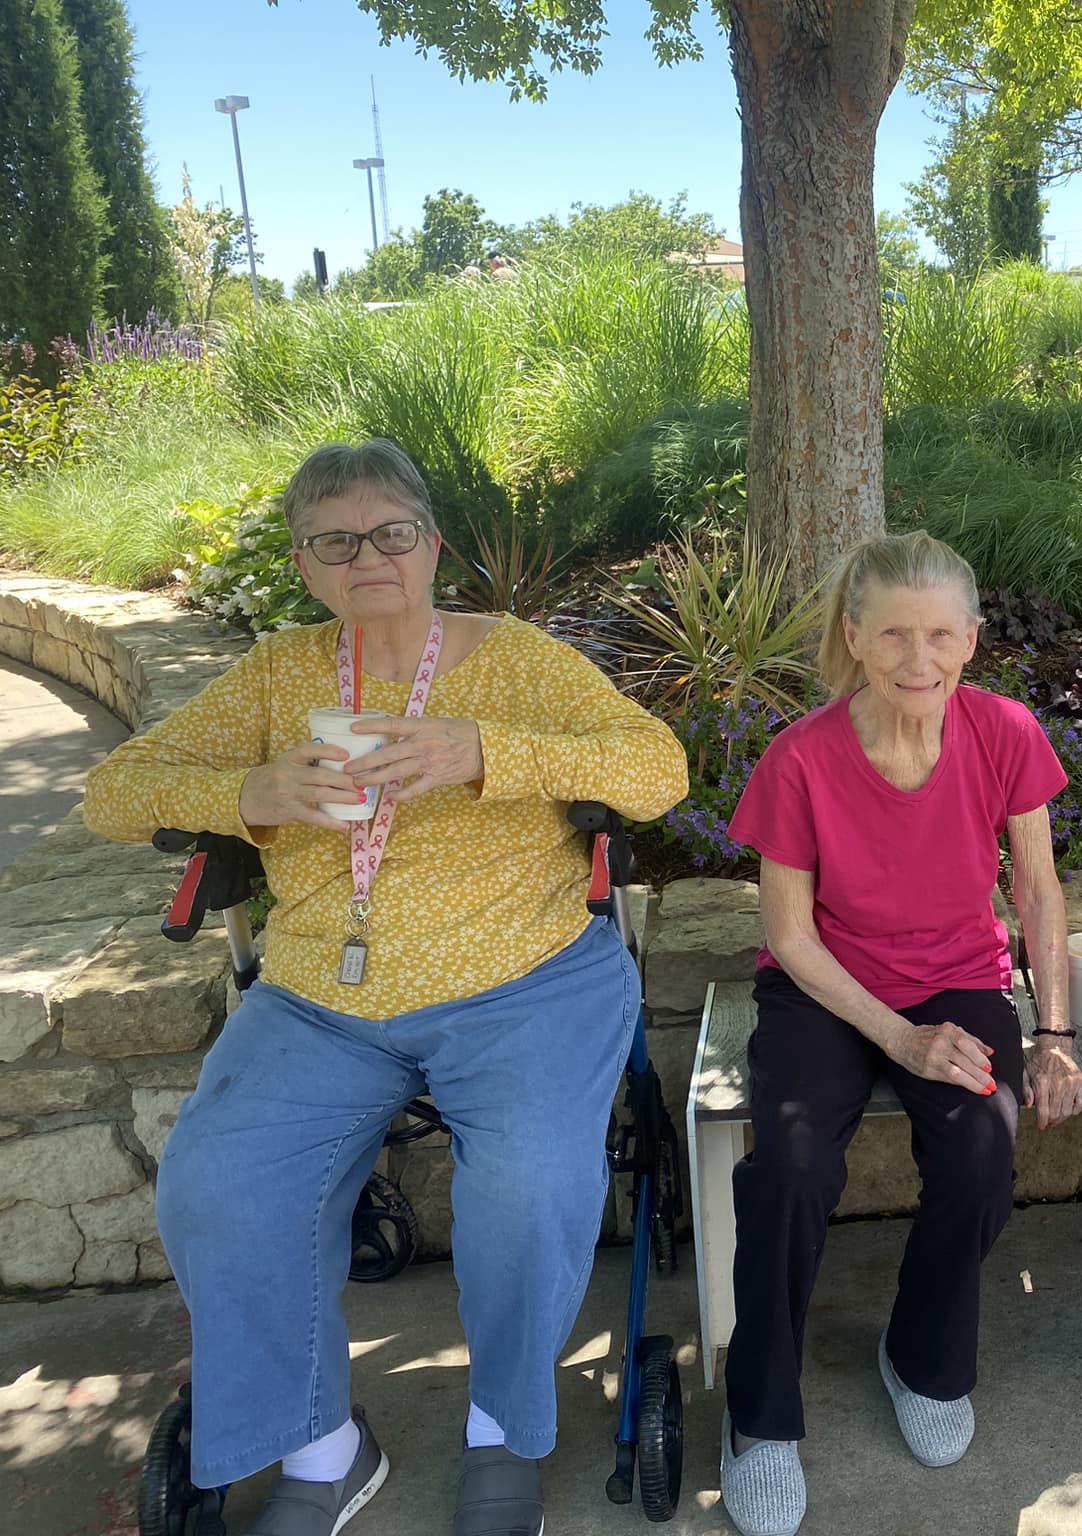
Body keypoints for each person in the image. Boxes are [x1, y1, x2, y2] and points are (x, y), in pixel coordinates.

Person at [82, 439, 691, 1536]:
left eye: (391, 532)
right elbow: (113, 792)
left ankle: (503, 1432)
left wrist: (483, 751)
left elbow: (656, 769)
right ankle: (322, 1450)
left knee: (525, 1188)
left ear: (430, 545)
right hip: (322, 998)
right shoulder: (279, 674)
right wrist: (250, 789)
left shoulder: (516, 660)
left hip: (525, 980)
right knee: (219, 1187)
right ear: (308, 566)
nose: (369, 555)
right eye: (336, 540)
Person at [715, 531, 1082, 1536]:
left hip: (960, 978)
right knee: (787, 1170)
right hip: (824, 990)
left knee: (979, 1155)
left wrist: (1052, 1033)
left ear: (968, 639)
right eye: (891, 635)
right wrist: (897, 1037)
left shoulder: (1004, 732)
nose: (916, 658)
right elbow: (788, 937)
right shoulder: (800, 759)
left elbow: (1040, 896)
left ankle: (920, 1359)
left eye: (937, 635)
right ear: (854, 637)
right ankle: (759, 1418)